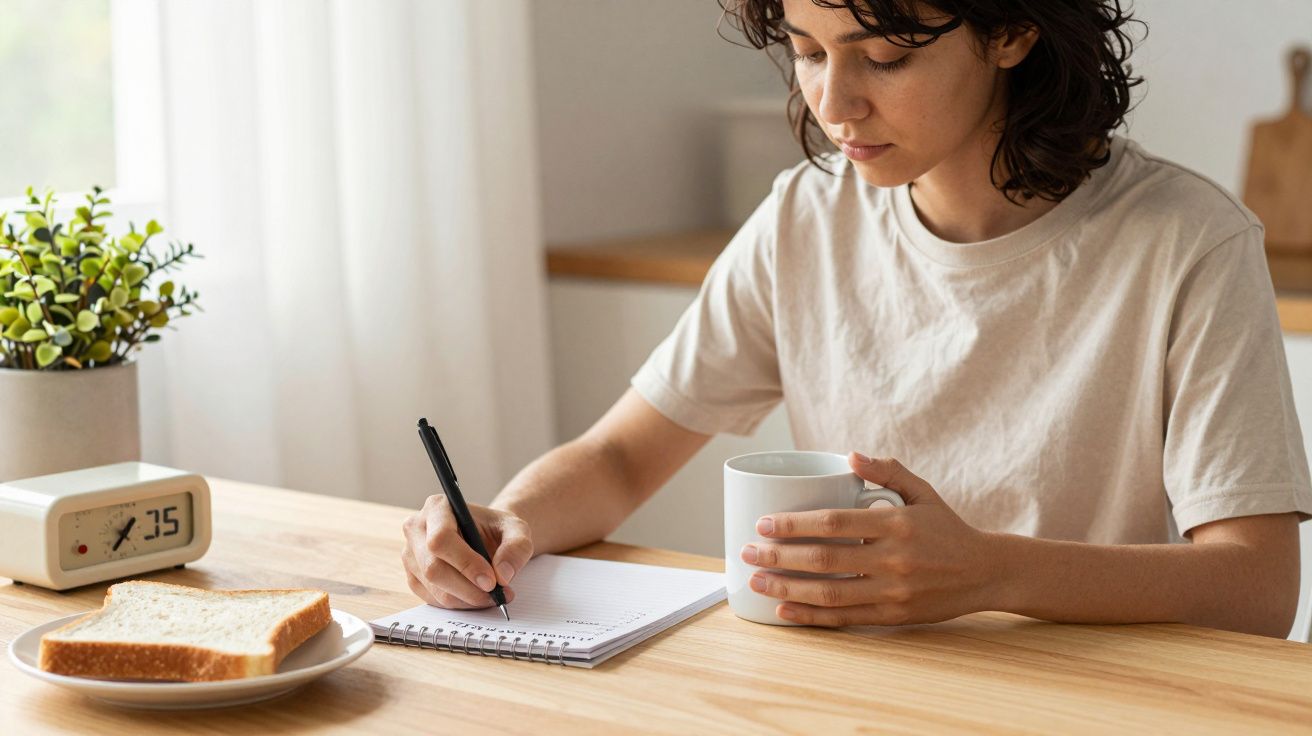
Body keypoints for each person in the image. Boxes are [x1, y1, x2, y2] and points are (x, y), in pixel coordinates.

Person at [401, 0, 1312, 638]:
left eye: (884, 56)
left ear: (1012, 29)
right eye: (806, 49)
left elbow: (1257, 586)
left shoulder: (1187, 243)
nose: (832, 104)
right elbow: (620, 457)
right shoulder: (806, 217)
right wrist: (505, 524)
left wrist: (991, 571)